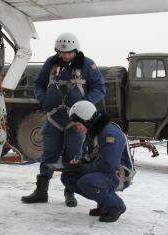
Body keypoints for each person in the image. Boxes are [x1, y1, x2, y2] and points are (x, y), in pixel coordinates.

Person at [21, 33, 105, 207]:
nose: (65, 56)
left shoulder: (88, 65)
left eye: (69, 53)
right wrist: (43, 99)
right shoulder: (51, 64)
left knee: (73, 156)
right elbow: (38, 84)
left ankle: (70, 193)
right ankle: (41, 191)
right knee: (48, 155)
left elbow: (99, 88)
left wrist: (86, 104)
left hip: (76, 120)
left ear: (76, 51)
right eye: (61, 52)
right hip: (54, 118)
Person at [62, 100, 135, 222]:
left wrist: (83, 168)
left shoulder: (110, 133)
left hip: (120, 174)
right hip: (105, 171)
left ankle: (116, 206)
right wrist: (80, 163)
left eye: (78, 125)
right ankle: (104, 202)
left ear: (86, 119)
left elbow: (109, 165)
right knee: (68, 177)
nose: (78, 128)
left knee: (88, 182)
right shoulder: (94, 131)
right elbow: (91, 156)